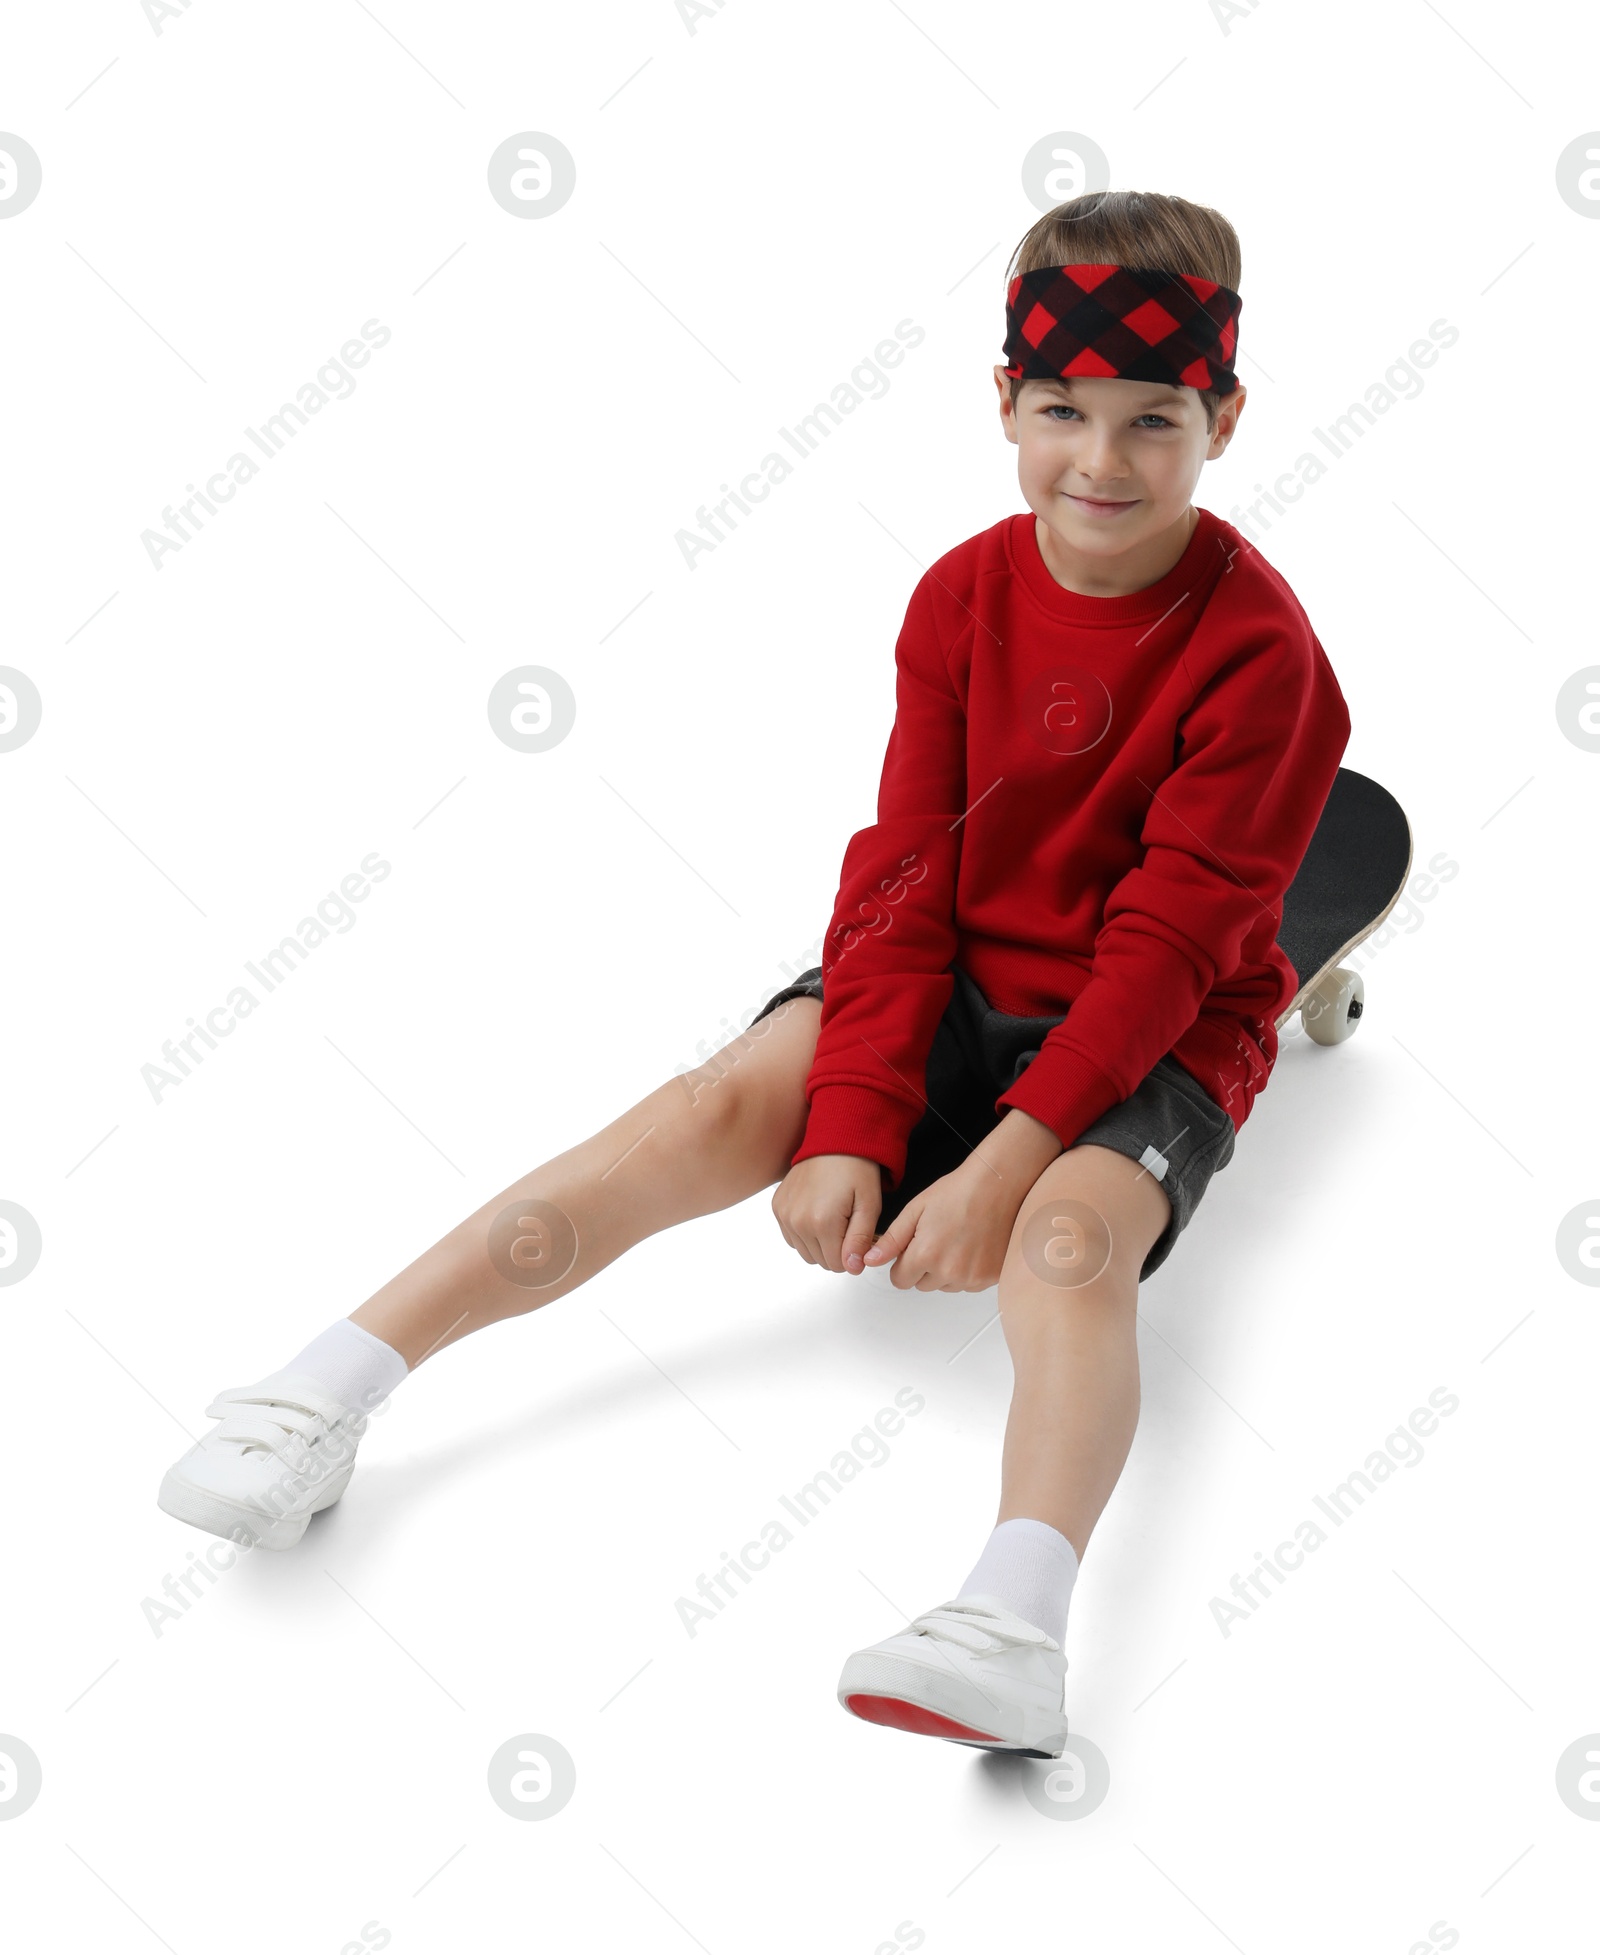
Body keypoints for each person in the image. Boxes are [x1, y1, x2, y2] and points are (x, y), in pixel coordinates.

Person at [157, 187, 1351, 1761]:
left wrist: (1002, 1163)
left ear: (1226, 417)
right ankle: (323, 1388)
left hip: (1154, 1019)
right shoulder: (961, 596)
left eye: (1154, 421)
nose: (1104, 462)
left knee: (1065, 1245)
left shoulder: (1265, 658)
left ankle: (1012, 1619)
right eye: (1063, 411)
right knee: (716, 1104)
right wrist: (856, 1111)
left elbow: (1171, 944)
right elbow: (910, 867)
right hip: (957, 969)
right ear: (1005, 402)